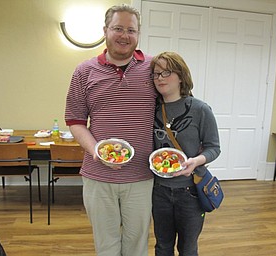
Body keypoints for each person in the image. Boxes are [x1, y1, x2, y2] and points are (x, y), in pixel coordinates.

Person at [64, 4, 157, 256]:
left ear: (138, 34)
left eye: (131, 30)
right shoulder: (84, 71)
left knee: (137, 244)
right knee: (106, 244)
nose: (124, 35)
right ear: (105, 30)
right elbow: (75, 120)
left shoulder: (154, 67)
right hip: (97, 174)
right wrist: (96, 149)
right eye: (118, 28)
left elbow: (176, 99)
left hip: (141, 174)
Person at [150, 52, 221, 256]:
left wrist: (195, 161)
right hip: (159, 190)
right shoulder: (152, 109)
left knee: (188, 249)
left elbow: (213, 147)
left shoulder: (200, 109)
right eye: (156, 74)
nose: (160, 78)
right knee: (162, 246)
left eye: (167, 72)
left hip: (190, 192)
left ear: (181, 76)